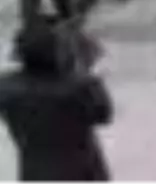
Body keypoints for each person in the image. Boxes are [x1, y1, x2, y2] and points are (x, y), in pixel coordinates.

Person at [0, 20, 113, 184]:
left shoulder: (6, 88)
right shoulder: (80, 88)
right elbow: (103, 114)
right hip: (82, 172)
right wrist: (81, 70)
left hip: (35, 172)